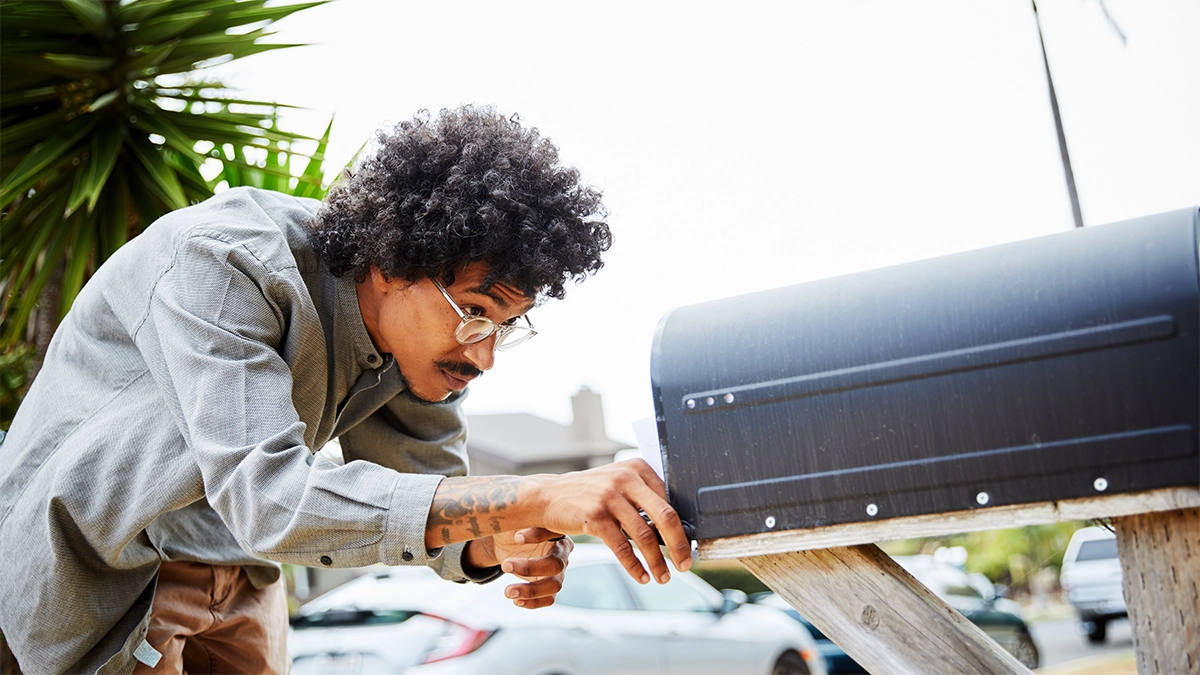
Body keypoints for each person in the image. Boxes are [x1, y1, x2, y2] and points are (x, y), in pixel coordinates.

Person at [0, 105, 692, 674]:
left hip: (237, 569)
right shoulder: (224, 262)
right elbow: (270, 496)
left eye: (506, 326)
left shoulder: (421, 347)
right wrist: (538, 493)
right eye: (476, 312)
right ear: (392, 265)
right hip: (107, 567)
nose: (484, 355)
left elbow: (433, 501)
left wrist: (499, 536)